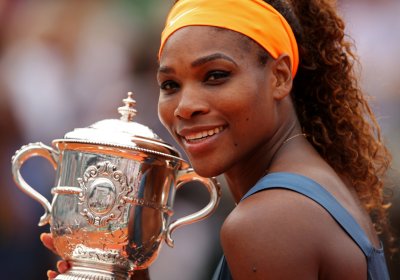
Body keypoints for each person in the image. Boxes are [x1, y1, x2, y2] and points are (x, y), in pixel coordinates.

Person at [44, 0, 393, 279]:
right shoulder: (303, 193)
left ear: (280, 77)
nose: (185, 107)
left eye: (215, 76)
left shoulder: (270, 220)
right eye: (170, 85)